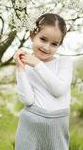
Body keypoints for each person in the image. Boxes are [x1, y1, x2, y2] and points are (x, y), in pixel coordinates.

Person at [13, 13, 73, 150]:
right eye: (43, 39)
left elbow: (58, 90)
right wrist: (20, 69)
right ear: (32, 35)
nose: (46, 47)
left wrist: (37, 64)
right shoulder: (27, 65)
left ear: (59, 44)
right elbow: (27, 100)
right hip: (30, 126)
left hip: (56, 129)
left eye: (54, 44)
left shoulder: (64, 63)